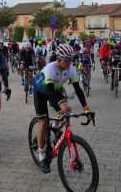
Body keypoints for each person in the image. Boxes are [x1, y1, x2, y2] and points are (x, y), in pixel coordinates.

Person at [33, 44, 93, 173]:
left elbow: (78, 90)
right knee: (43, 122)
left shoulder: (71, 69)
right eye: (67, 60)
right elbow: (49, 93)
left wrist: (86, 109)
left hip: (55, 89)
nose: (70, 62)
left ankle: (54, 127)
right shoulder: (50, 68)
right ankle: (42, 155)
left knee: (67, 109)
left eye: (71, 59)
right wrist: (58, 111)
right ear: (59, 58)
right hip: (41, 92)